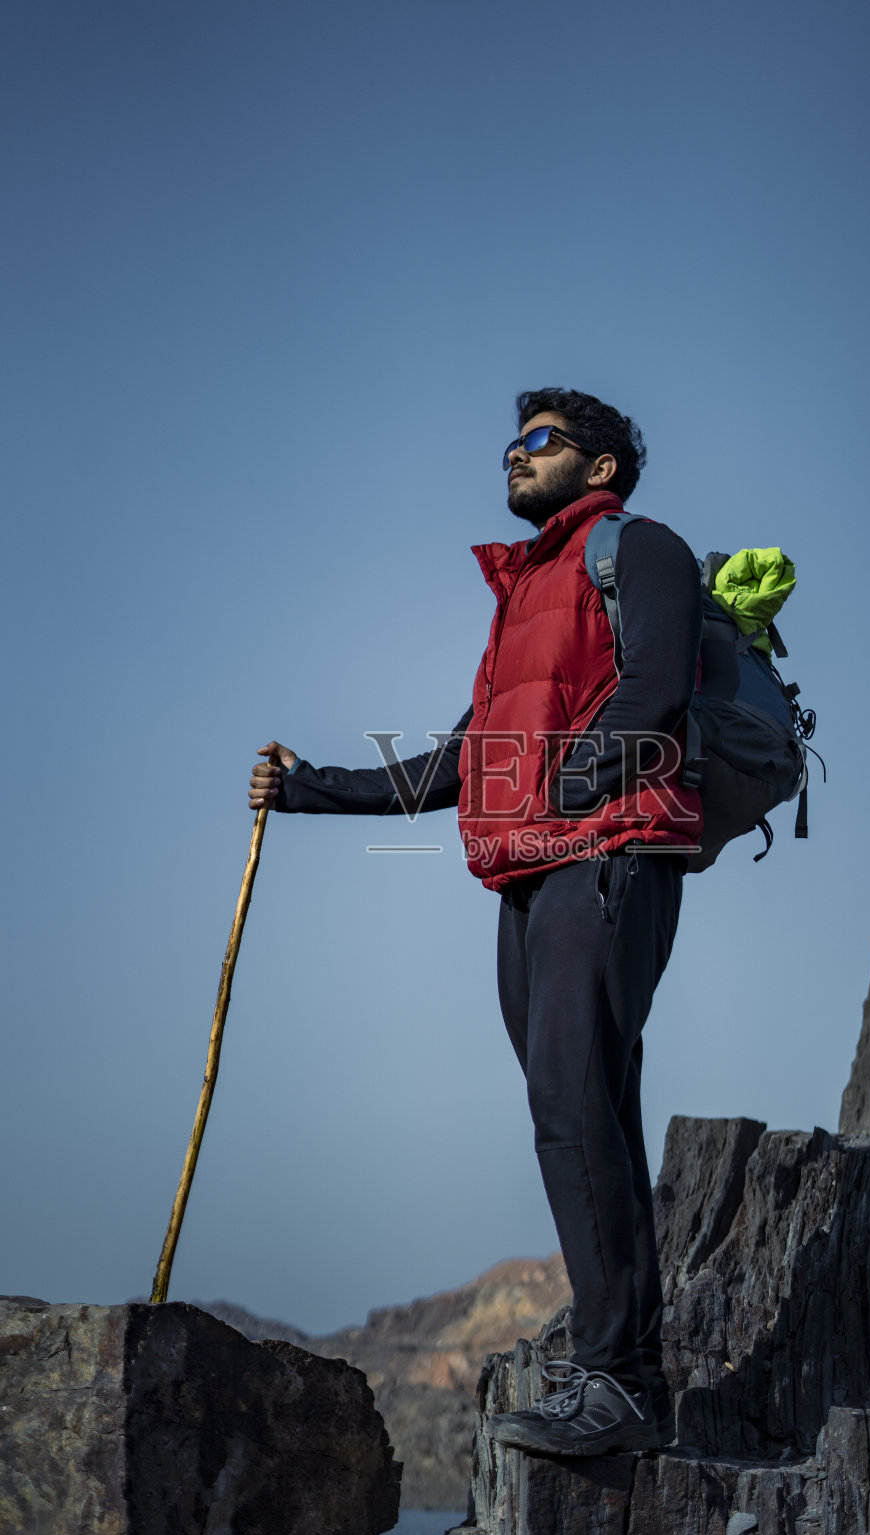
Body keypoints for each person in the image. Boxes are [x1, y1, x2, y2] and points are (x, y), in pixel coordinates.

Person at [249, 388, 703, 1456]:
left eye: (540, 440)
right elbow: (461, 762)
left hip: (606, 854)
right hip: (528, 874)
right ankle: (621, 1373)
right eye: (512, 438)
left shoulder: (638, 549)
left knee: (573, 1107)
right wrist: (309, 787)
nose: (514, 450)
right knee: (578, 1116)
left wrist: (586, 777)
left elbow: (657, 684)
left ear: (598, 469)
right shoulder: (524, 599)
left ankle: (619, 1385)